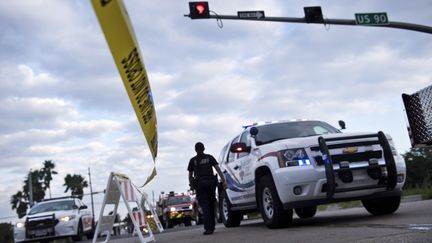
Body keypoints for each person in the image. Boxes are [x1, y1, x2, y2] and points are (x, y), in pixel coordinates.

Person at [188, 142, 228, 235]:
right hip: (211, 183)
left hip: (200, 185)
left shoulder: (193, 160)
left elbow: (190, 175)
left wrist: (192, 186)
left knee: (205, 206)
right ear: (204, 148)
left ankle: (208, 228)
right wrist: (224, 181)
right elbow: (218, 169)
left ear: (195, 149)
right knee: (211, 205)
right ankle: (212, 226)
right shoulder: (209, 157)